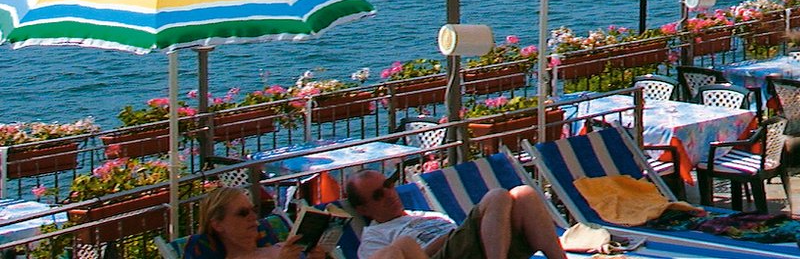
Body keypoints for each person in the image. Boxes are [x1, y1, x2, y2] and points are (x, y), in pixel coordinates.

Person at [344, 170, 567, 259]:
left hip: (480, 248)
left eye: (389, 185)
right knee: (498, 195)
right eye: (377, 195)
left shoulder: (422, 214)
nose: (389, 194)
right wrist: (444, 240)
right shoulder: (374, 236)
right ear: (363, 209)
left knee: (524, 193)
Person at [181, 187, 322, 259]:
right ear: (218, 225)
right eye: (242, 213)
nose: (253, 217)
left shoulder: (282, 247)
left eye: (253, 210)